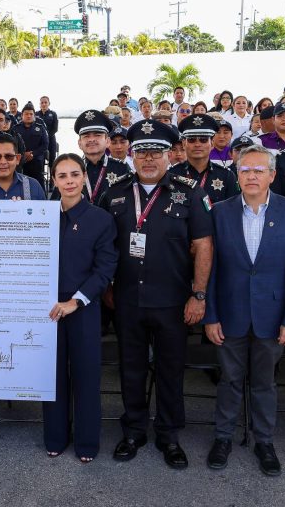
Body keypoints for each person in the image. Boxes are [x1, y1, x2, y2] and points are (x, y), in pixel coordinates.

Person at [100, 119, 213, 470]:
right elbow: (102, 247)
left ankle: (169, 435)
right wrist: (106, 288)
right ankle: (134, 430)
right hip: (127, 300)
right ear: (131, 156)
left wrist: (198, 295)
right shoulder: (114, 194)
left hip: (173, 302)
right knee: (131, 368)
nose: (148, 159)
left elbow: (203, 245)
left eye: (156, 152)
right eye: (142, 152)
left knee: (170, 370)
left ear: (169, 155)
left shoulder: (189, 193)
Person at [203, 144, 285, 477]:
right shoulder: (219, 212)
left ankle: (264, 441)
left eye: (258, 170)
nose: (251, 176)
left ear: (272, 175)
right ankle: (223, 437)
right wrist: (211, 315)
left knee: (265, 383)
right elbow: (210, 270)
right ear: (236, 175)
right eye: (245, 170)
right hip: (230, 315)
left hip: (274, 316)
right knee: (229, 380)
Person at [43, 154, 118, 463]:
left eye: (75, 174)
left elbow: (105, 268)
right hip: (47, 308)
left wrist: (76, 301)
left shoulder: (101, 219)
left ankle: (87, 441)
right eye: (62, 176)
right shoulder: (41, 215)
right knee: (52, 376)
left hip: (83, 306)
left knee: (86, 375)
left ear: (84, 177)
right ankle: (55, 436)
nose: (69, 181)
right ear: (54, 180)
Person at [169, 114, 238, 204]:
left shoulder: (227, 176)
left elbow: (233, 208)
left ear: (212, 144)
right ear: (184, 144)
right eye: (191, 140)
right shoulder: (171, 175)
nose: (197, 144)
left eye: (203, 140)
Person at [12, 102, 50, 187]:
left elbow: (45, 145)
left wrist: (33, 154)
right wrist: (23, 154)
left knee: (38, 182)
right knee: (21, 182)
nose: (29, 116)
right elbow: (12, 145)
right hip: (20, 160)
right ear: (22, 115)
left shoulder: (40, 128)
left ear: (34, 116)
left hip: (36, 159)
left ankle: (40, 194)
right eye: (26, 114)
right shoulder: (15, 128)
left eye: (31, 114)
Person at [38, 96, 59, 166]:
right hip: (39, 140)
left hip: (51, 139)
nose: (44, 104)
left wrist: (46, 136)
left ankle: (52, 172)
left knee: (52, 159)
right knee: (40, 159)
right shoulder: (36, 114)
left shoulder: (53, 114)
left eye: (45, 102)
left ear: (49, 103)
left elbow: (55, 128)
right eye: (42, 103)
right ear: (40, 104)